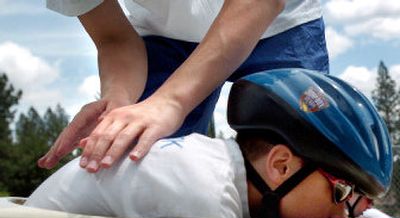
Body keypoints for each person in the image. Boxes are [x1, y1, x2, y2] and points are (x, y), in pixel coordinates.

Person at [26, 69, 393, 218]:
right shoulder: (204, 201)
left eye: (361, 203)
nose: (348, 214)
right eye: (344, 192)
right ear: (281, 165)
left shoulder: (219, 173)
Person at [38, 0, 329, 174]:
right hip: (164, 34)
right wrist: (119, 100)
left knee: (298, 166)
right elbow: (114, 37)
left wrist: (171, 102)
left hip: (279, 24)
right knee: (137, 163)